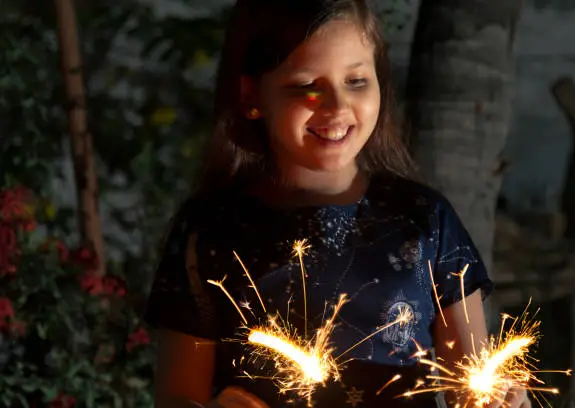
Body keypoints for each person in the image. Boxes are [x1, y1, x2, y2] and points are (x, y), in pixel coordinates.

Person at [144, 1, 531, 407]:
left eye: (357, 81)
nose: (337, 106)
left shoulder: (424, 219)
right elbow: (177, 396)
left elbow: (470, 383)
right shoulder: (212, 231)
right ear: (251, 96)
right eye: (306, 85)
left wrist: (502, 401)